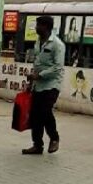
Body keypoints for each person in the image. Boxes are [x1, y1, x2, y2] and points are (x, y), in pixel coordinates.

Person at [22, 14, 65, 155]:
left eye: (38, 25)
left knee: (45, 111)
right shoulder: (38, 42)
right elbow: (37, 63)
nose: (36, 28)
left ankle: (54, 138)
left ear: (45, 27)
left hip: (52, 84)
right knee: (35, 114)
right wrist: (32, 81)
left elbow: (58, 67)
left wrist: (40, 75)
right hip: (38, 85)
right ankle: (37, 145)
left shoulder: (57, 45)